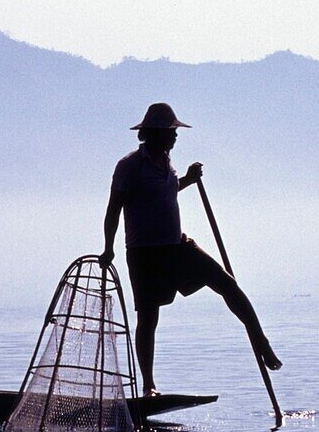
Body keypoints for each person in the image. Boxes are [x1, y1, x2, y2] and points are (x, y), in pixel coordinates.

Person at [100, 102, 281, 397]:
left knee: (227, 284)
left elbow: (166, 193)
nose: (176, 137)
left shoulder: (166, 164)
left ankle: (261, 342)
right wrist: (108, 248)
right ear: (155, 133)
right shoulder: (129, 167)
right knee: (148, 318)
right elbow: (113, 210)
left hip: (177, 246)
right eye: (172, 131)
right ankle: (149, 385)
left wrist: (188, 179)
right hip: (145, 253)